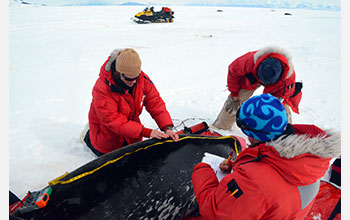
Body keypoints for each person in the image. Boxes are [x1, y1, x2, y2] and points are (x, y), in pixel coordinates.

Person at [191, 93, 340, 220]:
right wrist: (238, 167)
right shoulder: (309, 160)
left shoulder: (253, 181)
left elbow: (213, 210)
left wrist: (202, 168)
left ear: (255, 134)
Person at [84, 48, 179, 156]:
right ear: (118, 73)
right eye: (129, 79)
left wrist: (167, 127)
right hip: (107, 140)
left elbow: (155, 102)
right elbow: (112, 120)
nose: (133, 82)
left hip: (131, 135)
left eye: (136, 77)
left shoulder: (141, 79)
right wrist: (146, 132)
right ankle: (89, 135)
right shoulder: (102, 88)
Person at [212, 46, 303, 130]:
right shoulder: (248, 61)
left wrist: (273, 106)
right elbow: (233, 73)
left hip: (276, 88)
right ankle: (221, 127)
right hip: (251, 78)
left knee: (280, 108)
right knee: (235, 101)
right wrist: (234, 94)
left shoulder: (287, 79)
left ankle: (282, 133)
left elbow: (283, 97)